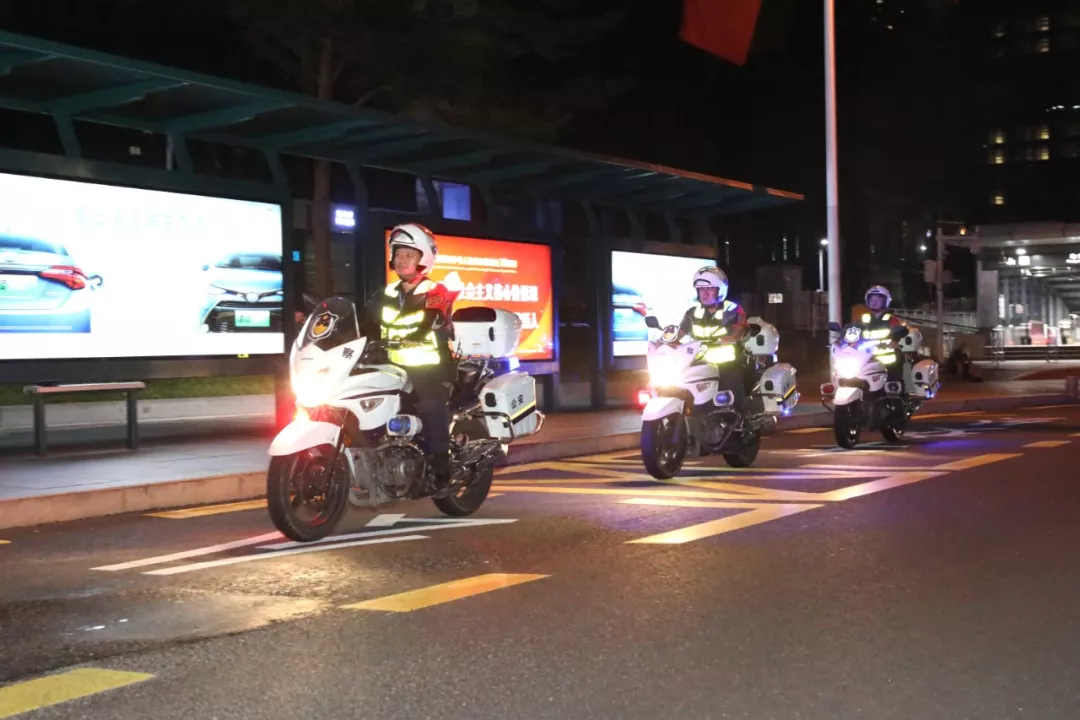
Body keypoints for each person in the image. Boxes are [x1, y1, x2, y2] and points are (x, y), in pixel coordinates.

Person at [368, 223, 456, 491]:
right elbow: (363, 319)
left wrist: (418, 333)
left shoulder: (435, 290)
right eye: (398, 254)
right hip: (394, 368)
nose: (401, 260)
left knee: (430, 405)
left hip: (431, 369)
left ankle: (441, 466)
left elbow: (434, 315)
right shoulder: (386, 292)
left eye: (409, 255)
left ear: (423, 259)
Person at [678, 265, 750, 412]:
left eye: (709, 289)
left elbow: (740, 330)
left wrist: (729, 338)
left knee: (731, 391)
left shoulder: (733, 310)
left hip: (726, 364)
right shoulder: (692, 312)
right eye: (701, 289)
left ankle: (738, 418)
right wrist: (662, 342)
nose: (704, 293)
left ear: (720, 290)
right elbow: (679, 333)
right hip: (699, 363)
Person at [856, 285, 907, 386]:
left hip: (888, 362)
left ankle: (897, 392)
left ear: (885, 301)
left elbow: (899, 330)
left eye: (878, 300)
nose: (874, 302)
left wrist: (894, 340)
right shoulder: (863, 319)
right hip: (866, 360)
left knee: (894, 384)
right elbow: (853, 331)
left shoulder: (891, 319)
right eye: (871, 300)